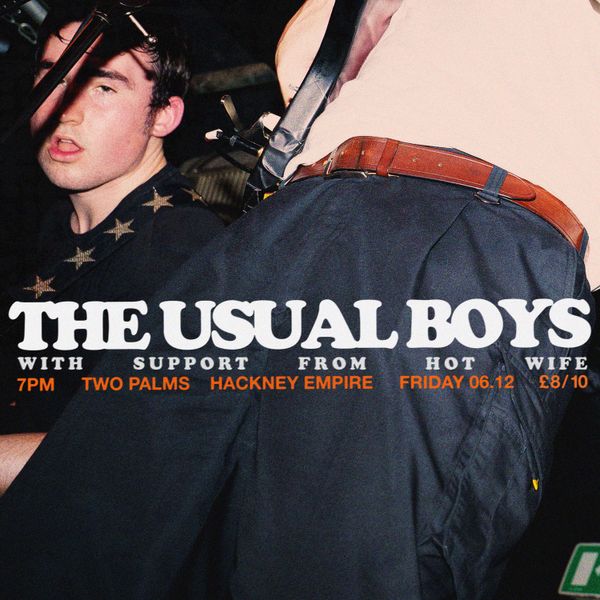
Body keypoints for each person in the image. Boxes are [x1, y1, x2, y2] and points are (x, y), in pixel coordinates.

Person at [0, 1, 596, 599]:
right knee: (92, 498)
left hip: (483, 223)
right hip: (305, 200)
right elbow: (310, 49)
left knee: (347, 555)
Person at [0, 5, 223, 487]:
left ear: (163, 115)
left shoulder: (185, 255)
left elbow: (147, 456)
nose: (66, 109)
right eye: (54, 77)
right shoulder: (46, 223)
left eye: (103, 87)